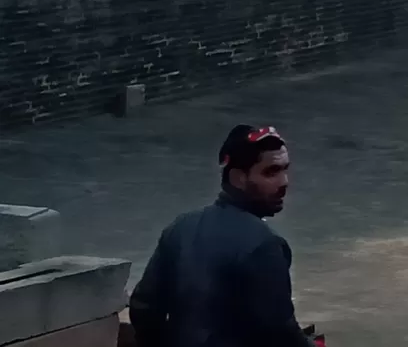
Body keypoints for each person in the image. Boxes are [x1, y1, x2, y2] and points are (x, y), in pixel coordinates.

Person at [129, 124, 318, 347]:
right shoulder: (263, 245)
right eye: (271, 172)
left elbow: (143, 308)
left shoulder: (181, 228)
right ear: (238, 177)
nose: (284, 182)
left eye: (285, 170)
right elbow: (280, 333)